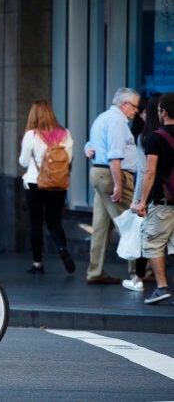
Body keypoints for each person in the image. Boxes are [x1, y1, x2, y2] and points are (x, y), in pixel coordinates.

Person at [83, 87, 139, 284]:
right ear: (124, 104)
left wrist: (87, 150)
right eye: (134, 106)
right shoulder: (117, 121)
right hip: (112, 175)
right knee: (130, 223)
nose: (136, 111)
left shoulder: (102, 118)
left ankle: (95, 271)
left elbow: (90, 145)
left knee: (100, 227)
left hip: (99, 174)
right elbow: (114, 156)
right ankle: (137, 273)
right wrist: (118, 185)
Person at [18, 100, 75, 274]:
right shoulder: (65, 134)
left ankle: (37, 263)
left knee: (36, 224)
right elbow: (69, 160)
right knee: (55, 222)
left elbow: (23, 161)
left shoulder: (32, 135)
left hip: (35, 183)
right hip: (58, 185)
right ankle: (62, 249)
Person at [132, 92, 174, 304]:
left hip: (162, 201)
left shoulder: (156, 137)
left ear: (163, 112)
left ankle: (161, 287)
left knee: (154, 243)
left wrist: (141, 201)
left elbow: (149, 171)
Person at [122, 94, 161, 292]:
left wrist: (139, 200)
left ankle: (138, 278)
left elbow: (145, 170)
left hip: (155, 195)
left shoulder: (145, 137)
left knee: (149, 239)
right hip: (169, 193)